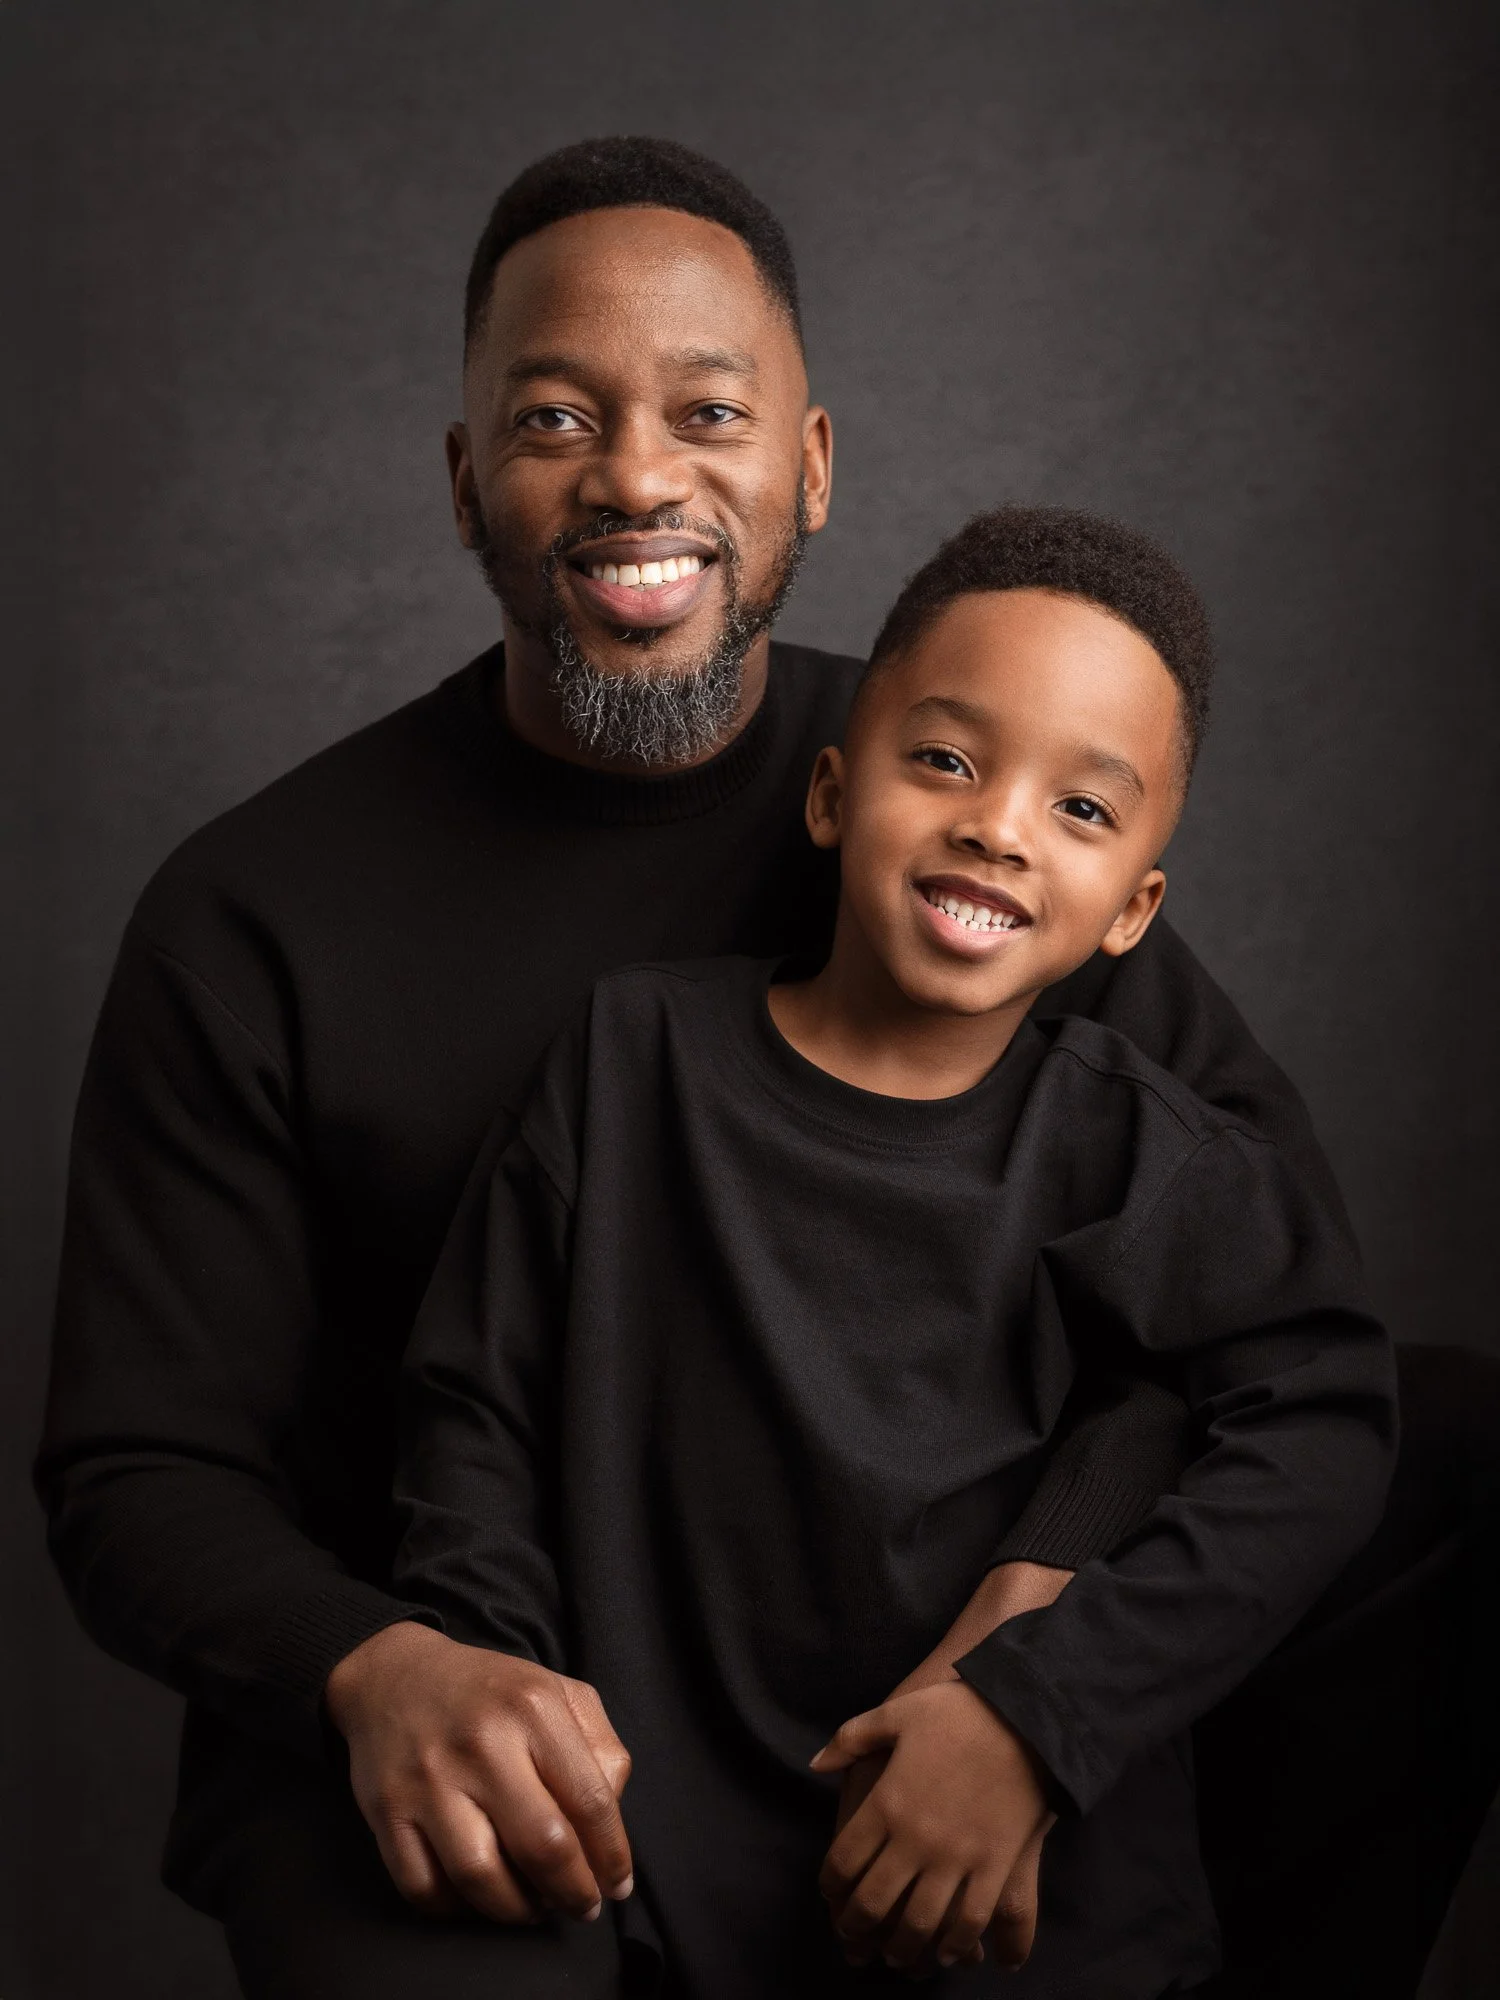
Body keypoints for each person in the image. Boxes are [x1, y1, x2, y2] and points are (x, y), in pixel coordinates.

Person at [35, 138, 1498, 2000]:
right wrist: (383, 1669)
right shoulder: (258, 915)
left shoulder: (963, 790)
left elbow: (1261, 1295)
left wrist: (1035, 1630)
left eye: (708, 411)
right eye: (556, 417)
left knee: (1440, 1450)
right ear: (468, 478)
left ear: (807, 464)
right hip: (468, 1670)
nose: (639, 475)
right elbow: (139, 1470)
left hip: (911, 1626)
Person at [388, 505, 1396, 1999]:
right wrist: (501, 1682)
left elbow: (1324, 1426)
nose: (998, 822)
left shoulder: (1139, 1155)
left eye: (1084, 810)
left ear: (1134, 914)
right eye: (947, 760)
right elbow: (478, 1412)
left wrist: (1035, 1720)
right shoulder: (633, 1061)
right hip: (667, 1882)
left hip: (1037, 1910)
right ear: (829, 794)